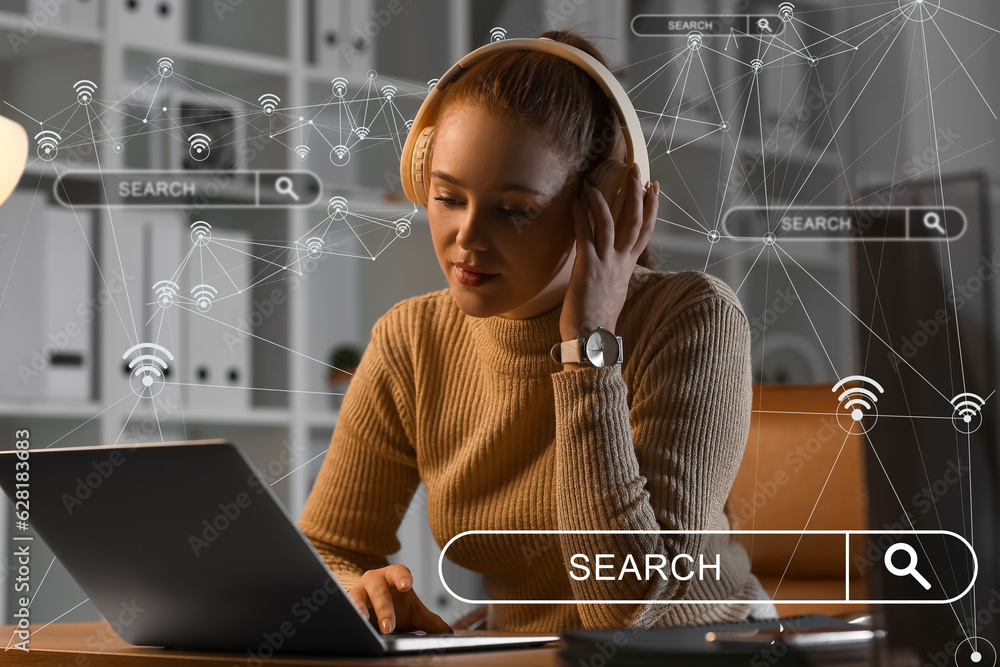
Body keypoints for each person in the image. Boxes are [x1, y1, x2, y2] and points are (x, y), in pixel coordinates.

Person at [298, 29, 775, 635]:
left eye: (514, 209)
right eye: (447, 197)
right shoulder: (411, 340)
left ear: (603, 201)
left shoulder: (694, 320)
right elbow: (326, 551)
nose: (467, 238)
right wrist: (366, 596)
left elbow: (627, 607)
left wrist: (588, 351)